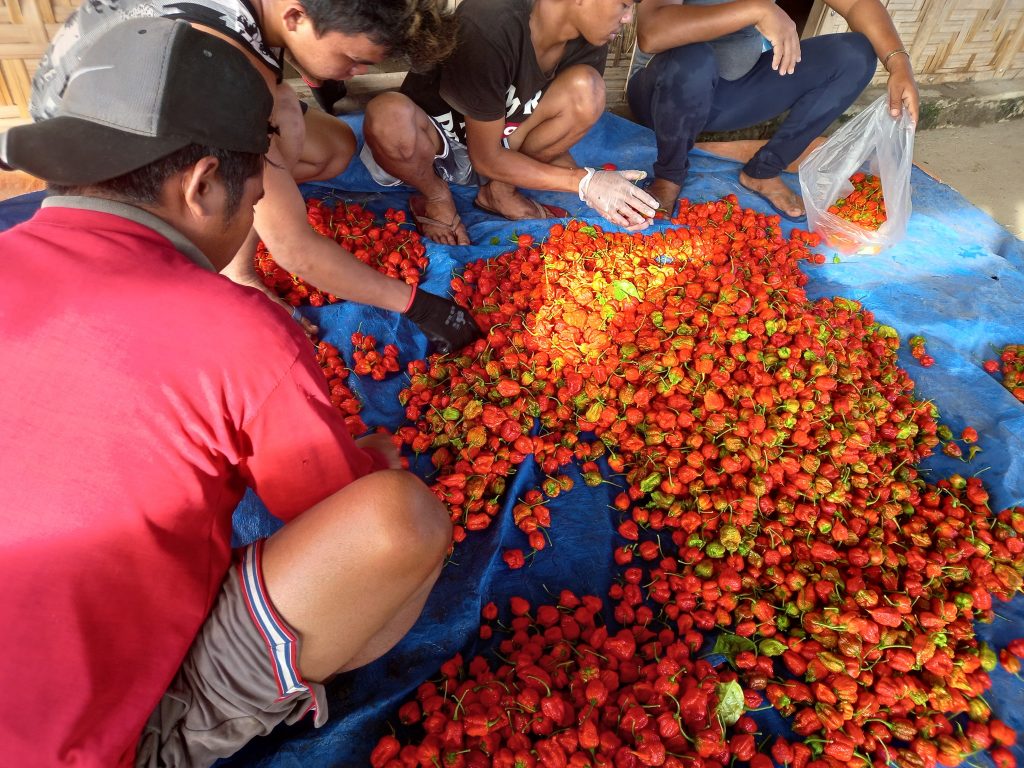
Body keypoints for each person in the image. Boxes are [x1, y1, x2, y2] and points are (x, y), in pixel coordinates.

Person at [0, 18, 451, 767]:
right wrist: (375, 457)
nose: (249, 225)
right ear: (204, 184)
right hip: (87, 746)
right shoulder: (238, 330)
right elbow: (331, 509)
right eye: (250, 203)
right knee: (396, 520)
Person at [31, 0, 481, 354]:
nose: (358, 73)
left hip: (130, 93)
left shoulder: (258, 20)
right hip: (105, 160)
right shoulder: (225, 67)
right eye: (353, 59)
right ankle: (230, 270)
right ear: (295, 16)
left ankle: (247, 211)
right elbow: (296, 250)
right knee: (261, 145)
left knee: (315, 131)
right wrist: (419, 306)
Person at [361, 0, 661, 246]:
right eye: (624, 4)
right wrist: (585, 182)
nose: (628, 18)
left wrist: (586, 180)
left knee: (588, 90)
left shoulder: (590, 37)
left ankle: (500, 192)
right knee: (388, 117)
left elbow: (554, 119)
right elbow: (485, 157)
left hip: (507, 147)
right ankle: (436, 196)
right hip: (435, 145)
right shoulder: (490, 21)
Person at [627, 0, 921, 220]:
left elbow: (857, 3)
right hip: (664, 94)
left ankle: (763, 170)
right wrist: (757, 10)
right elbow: (653, 32)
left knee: (854, 54)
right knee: (693, 55)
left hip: (733, 93)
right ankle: (669, 175)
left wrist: (899, 63)